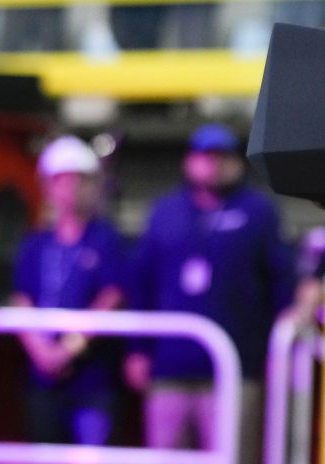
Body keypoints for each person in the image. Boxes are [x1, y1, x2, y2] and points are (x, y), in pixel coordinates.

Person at [125, 124, 298, 462]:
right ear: (189, 161)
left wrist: (277, 354)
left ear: (236, 162)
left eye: (223, 156)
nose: (214, 164)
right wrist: (137, 350)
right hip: (170, 367)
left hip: (235, 367)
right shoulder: (165, 212)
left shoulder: (257, 212)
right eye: (205, 156)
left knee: (234, 454)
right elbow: (141, 282)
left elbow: (282, 283)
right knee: (166, 455)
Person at [11, 136, 127, 446]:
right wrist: (41, 351)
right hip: (42, 378)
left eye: (80, 181)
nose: (70, 189)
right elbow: (21, 299)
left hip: (93, 379)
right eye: (61, 181)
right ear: (48, 187)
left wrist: (67, 349)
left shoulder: (107, 240)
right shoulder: (36, 244)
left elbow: (112, 297)